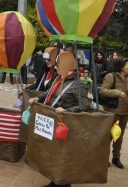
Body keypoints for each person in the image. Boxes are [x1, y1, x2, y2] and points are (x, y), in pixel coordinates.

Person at [29, 51, 90, 187]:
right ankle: (54, 180)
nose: (55, 67)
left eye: (59, 65)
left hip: (66, 124)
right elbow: (49, 93)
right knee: (53, 153)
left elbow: (85, 104)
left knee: (63, 155)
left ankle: (62, 183)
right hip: (54, 121)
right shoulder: (59, 79)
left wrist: (67, 110)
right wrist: (37, 98)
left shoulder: (77, 84)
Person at [99, 57, 128, 169]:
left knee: (119, 136)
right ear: (121, 67)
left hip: (125, 112)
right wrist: (117, 92)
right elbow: (102, 91)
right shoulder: (111, 76)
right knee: (108, 136)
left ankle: (116, 157)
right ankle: (104, 158)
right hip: (112, 112)